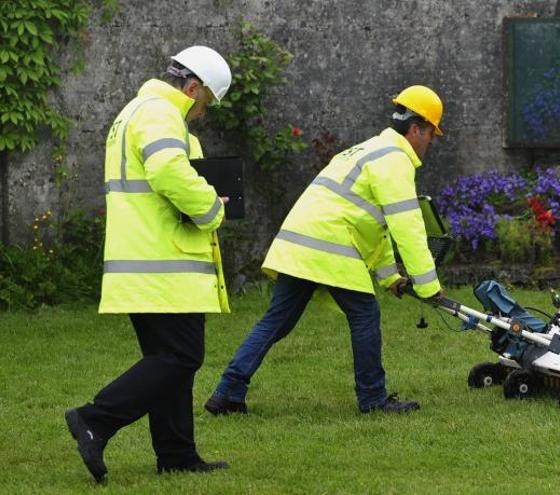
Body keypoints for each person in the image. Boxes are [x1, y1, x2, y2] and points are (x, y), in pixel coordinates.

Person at [204, 85, 445, 416]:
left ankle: (227, 393)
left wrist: (390, 277)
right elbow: (407, 227)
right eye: (432, 134)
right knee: (364, 314)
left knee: (277, 321)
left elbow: (374, 226)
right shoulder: (394, 160)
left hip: (299, 242)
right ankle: (373, 398)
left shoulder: (366, 150)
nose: (431, 143)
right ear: (416, 128)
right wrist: (429, 286)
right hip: (329, 245)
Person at [64, 45, 233, 483]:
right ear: (192, 88)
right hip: (164, 262)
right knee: (181, 357)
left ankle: (176, 454)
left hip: (147, 261)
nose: (203, 113)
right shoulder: (160, 112)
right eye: (206, 103)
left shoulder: (137, 111)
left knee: (167, 358)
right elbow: (167, 172)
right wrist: (213, 208)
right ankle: (93, 419)